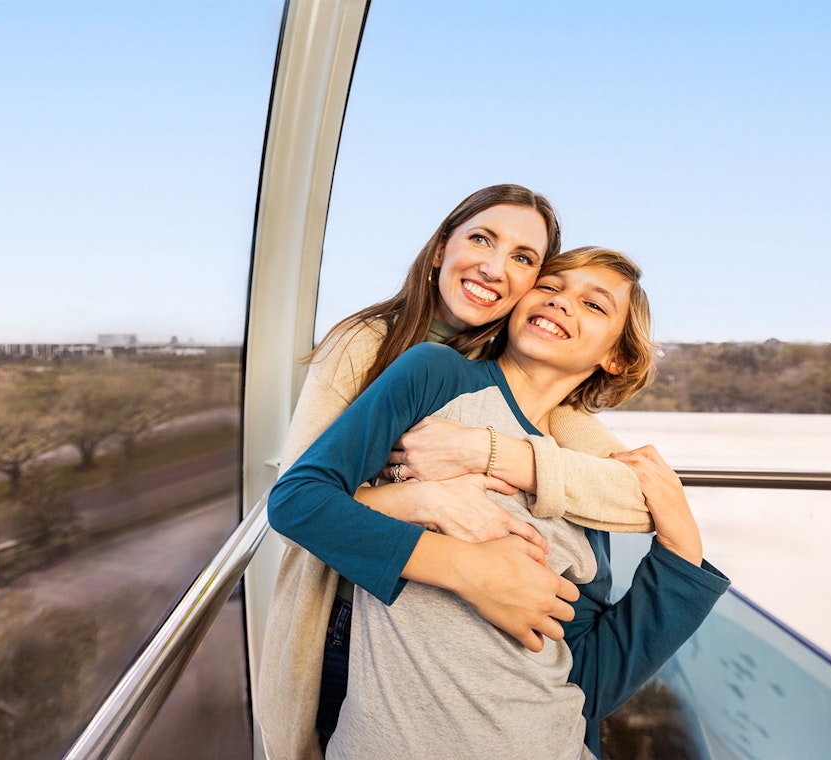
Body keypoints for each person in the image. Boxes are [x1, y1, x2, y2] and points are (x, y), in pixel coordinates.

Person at [268, 247, 729, 758]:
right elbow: (299, 502)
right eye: (550, 286)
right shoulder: (435, 376)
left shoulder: (584, 479)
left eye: (594, 305)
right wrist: (464, 563)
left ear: (615, 357)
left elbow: (588, 679)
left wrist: (683, 549)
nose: (560, 302)